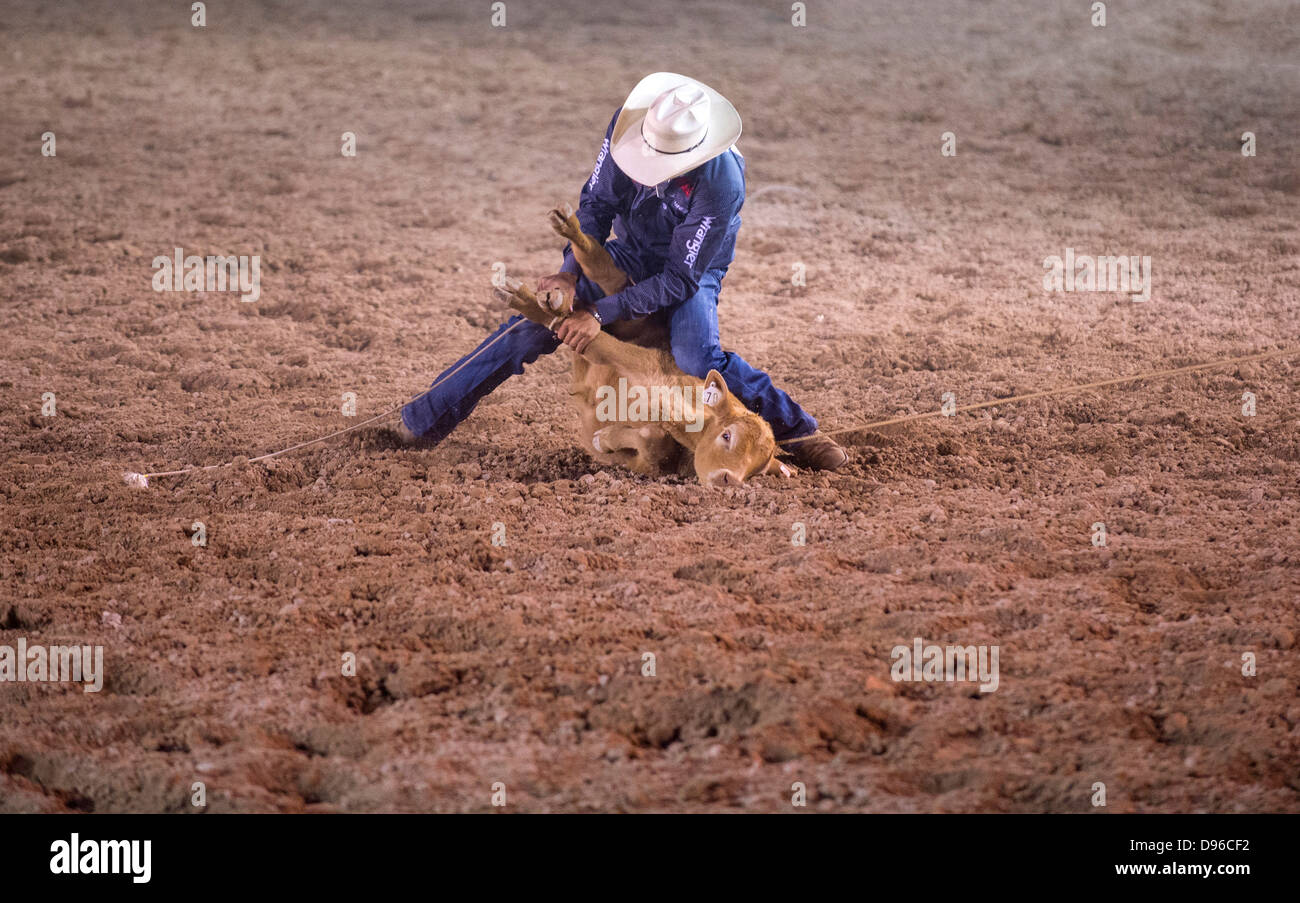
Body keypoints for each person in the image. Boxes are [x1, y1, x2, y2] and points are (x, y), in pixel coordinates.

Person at [395, 72, 848, 471]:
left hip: (691, 272)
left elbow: (681, 278)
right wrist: (570, 271)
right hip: (631, 251)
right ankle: (423, 419)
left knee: (698, 358)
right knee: (529, 329)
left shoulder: (721, 182)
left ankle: (800, 433)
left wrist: (598, 313)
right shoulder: (626, 128)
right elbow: (596, 205)